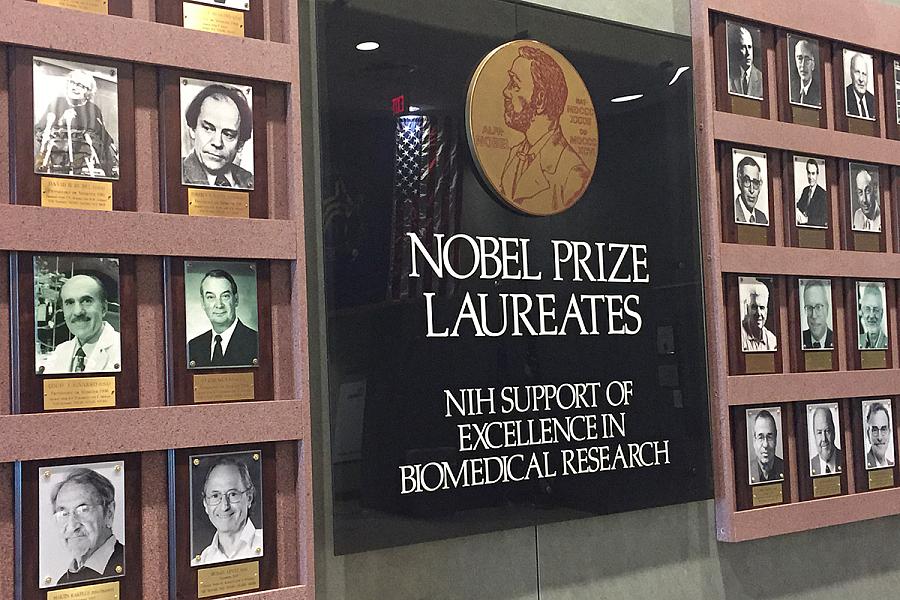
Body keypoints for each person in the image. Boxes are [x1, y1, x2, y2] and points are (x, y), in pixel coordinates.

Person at [498, 45, 591, 214]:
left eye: (514, 84)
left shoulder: (574, 174)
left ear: (540, 99)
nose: (506, 92)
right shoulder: (514, 154)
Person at [34, 68, 118, 178]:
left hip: (83, 162)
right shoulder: (57, 103)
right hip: (55, 159)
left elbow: (101, 135)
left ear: (88, 91)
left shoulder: (93, 109)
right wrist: (61, 121)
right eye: (72, 82)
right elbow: (40, 130)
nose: (75, 87)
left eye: (81, 85)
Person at [51, 468, 124, 585]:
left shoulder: (132, 563)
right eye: (64, 514)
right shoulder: (63, 582)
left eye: (83, 510)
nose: (72, 526)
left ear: (109, 513)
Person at [41, 275, 120, 374]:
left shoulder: (124, 350)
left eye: (87, 301)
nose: (77, 312)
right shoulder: (60, 352)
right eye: (70, 303)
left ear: (104, 308)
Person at [182, 83, 254, 189]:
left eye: (228, 135)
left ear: (240, 145)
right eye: (208, 128)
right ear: (193, 129)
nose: (217, 143)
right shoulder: (175, 173)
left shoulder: (251, 181)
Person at [196, 457, 263, 565]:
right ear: (205, 504)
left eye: (233, 494)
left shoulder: (272, 544)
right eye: (215, 496)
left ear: (249, 498)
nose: (224, 506)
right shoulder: (200, 562)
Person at [188, 269, 259, 368]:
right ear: (203, 303)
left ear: (236, 299)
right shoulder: (193, 346)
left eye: (225, 296)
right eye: (210, 297)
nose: (219, 305)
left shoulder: (256, 342)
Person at [740, 279, 777, 352]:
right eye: (754, 307)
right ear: (747, 309)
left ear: (766, 310)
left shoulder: (772, 341)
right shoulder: (739, 336)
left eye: (762, 308)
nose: (759, 313)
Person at [750, 410, 784, 483]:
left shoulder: (786, 468)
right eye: (760, 437)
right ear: (754, 441)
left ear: (775, 438)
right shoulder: (747, 471)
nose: (765, 444)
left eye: (769, 437)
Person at [729, 26, 763, 98]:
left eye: (750, 47)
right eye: (743, 47)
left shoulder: (762, 79)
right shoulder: (729, 76)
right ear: (736, 50)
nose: (748, 53)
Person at [734, 155, 767, 225]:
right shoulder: (732, 213)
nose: (752, 190)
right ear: (739, 182)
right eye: (747, 181)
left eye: (755, 183)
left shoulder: (762, 218)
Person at [801, 279, 833, 350]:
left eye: (818, 307)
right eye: (809, 308)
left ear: (827, 309)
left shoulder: (836, 339)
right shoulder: (799, 339)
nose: (814, 315)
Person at [810, 406, 842, 476]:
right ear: (814, 435)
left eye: (827, 431)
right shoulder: (810, 465)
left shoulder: (845, 459)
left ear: (834, 431)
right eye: (819, 432)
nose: (824, 439)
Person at [795, 159, 827, 227]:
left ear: (817, 174)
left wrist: (807, 220)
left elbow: (823, 219)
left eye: (813, 173)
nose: (810, 177)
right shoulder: (805, 190)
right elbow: (799, 206)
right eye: (809, 173)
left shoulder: (823, 194)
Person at [845, 52, 876, 119]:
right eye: (857, 72)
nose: (861, 79)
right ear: (851, 73)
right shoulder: (845, 97)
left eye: (864, 74)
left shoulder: (873, 100)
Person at [791, 39, 820, 106]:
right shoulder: (791, 89)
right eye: (800, 58)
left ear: (813, 64)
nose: (803, 65)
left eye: (807, 59)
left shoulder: (819, 92)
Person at [858, 283, 888, 349]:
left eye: (876, 310)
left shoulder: (890, 342)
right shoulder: (857, 341)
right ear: (862, 313)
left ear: (881, 313)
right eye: (867, 309)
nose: (871, 316)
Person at [865, 402, 894, 469]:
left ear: (889, 433)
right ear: (868, 435)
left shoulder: (892, 465)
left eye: (883, 429)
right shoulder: (863, 463)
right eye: (875, 430)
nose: (880, 437)